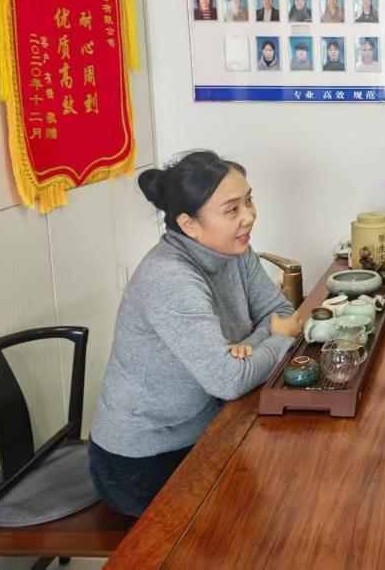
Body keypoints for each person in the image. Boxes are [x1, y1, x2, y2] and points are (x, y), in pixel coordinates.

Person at [89, 151, 302, 516]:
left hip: (207, 427)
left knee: (286, 486)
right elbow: (230, 379)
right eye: (231, 209)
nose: (249, 216)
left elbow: (281, 313)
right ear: (189, 224)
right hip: (142, 461)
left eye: (248, 200)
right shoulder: (170, 278)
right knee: (254, 517)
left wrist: (244, 347)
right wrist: (276, 338)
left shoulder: (236, 249)